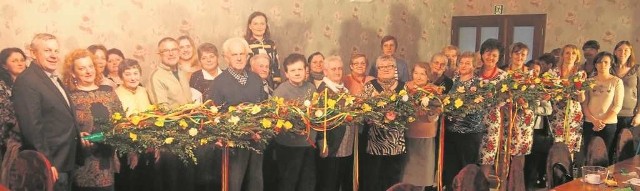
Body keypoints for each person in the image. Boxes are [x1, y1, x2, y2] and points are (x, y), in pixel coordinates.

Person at [12, 33, 79, 191]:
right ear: (33, 53)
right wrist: (47, 162)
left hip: (65, 159)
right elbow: (32, 128)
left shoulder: (49, 77)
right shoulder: (27, 81)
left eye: (56, 51)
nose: (54, 55)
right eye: (48, 50)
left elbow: (58, 116)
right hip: (52, 164)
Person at [206, 37, 267, 191]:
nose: (239, 58)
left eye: (242, 54)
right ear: (226, 58)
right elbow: (213, 114)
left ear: (247, 56)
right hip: (233, 144)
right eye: (234, 54)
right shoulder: (219, 83)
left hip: (256, 140)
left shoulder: (255, 79)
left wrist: (261, 131)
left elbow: (265, 108)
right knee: (234, 184)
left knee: (256, 183)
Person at [61, 49, 124, 191]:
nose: (88, 71)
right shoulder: (69, 95)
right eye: (82, 68)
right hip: (83, 161)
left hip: (107, 158)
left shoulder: (108, 91)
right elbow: (65, 128)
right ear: (73, 72)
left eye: (90, 66)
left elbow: (121, 120)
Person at [147, 37, 194, 191]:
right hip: (170, 138)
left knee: (187, 181)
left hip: (188, 136)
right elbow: (162, 109)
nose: (171, 53)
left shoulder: (181, 72)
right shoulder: (157, 76)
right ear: (159, 54)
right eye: (166, 50)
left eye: (174, 49)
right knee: (172, 183)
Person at [360, 55, 407, 191]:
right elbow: (363, 111)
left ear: (395, 68)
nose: (386, 69)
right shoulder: (369, 87)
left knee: (393, 180)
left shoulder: (403, 87)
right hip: (375, 142)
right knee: (373, 180)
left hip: (396, 143)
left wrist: (397, 115)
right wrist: (379, 116)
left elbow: (409, 113)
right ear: (377, 69)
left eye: (389, 66)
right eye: (382, 67)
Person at [272, 53, 317, 191]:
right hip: (288, 145)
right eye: (293, 70)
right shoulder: (280, 92)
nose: (297, 73)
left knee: (307, 182)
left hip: (308, 143)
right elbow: (276, 120)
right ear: (286, 73)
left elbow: (316, 114)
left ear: (305, 71)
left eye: (300, 69)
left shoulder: (311, 88)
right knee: (289, 182)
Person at [442, 52, 486, 189]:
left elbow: (478, 107)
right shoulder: (452, 82)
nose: (464, 65)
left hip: (470, 133)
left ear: (474, 66)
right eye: (461, 62)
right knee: (450, 170)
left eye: (467, 63)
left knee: (467, 171)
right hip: (451, 132)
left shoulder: (479, 84)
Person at [114, 59, 154, 191]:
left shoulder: (144, 91)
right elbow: (118, 125)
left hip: (147, 146)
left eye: (135, 73)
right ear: (120, 77)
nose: (133, 77)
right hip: (127, 148)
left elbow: (153, 118)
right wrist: (131, 150)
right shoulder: (115, 94)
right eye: (128, 74)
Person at [316, 56, 355, 191]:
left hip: (346, 146)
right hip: (332, 145)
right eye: (334, 69)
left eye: (339, 68)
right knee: (329, 183)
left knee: (342, 182)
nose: (338, 72)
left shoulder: (343, 89)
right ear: (325, 71)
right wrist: (322, 142)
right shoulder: (322, 91)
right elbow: (318, 120)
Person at [402, 62, 442, 191]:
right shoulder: (406, 88)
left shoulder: (434, 90)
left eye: (422, 74)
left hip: (426, 136)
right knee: (406, 175)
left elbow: (436, 114)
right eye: (416, 73)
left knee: (422, 176)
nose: (418, 77)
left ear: (428, 76)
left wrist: (431, 112)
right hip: (407, 135)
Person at [582, 51, 624, 164]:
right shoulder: (589, 81)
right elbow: (584, 104)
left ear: (611, 64)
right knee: (589, 155)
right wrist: (594, 121)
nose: (602, 65)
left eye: (606, 62)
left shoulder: (616, 82)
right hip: (590, 123)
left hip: (608, 124)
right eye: (599, 62)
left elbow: (617, 106)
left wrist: (602, 122)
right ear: (595, 64)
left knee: (605, 156)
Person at [546, 44, 586, 155]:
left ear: (577, 56)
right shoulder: (553, 73)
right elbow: (547, 93)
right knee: (555, 146)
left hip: (573, 115)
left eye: (573, 53)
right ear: (562, 55)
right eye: (567, 53)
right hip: (556, 114)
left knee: (569, 148)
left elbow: (582, 99)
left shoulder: (580, 74)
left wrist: (581, 93)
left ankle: (567, 170)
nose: (570, 56)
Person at [476, 39, 508, 177]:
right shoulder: (474, 72)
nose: (490, 57)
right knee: (471, 154)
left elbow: (505, 98)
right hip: (472, 120)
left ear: (499, 57)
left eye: (494, 55)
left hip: (492, 120)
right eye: (488, 53)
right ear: (482, 54)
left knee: (487, 156)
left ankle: (483, 184)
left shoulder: (503, 76)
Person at [613, 41, 640, 148]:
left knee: (627, 149)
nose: (622, 53)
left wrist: (639, 114)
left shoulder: (637, 69)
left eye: (626, 50)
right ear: (615, 52)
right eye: (619, 50)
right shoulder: (609, 69)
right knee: (611, 148)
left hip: (630, 115)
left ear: (630, 53)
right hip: (611, 114)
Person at [245, 11, 281, 85]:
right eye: (255, 24)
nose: (259, 27)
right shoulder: (245, 44)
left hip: (269, 82)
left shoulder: (271, 44)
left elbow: (276, 65)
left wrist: (276, 82)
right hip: (250, 82)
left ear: (266, 26)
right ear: (250, 26)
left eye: (262, 24)